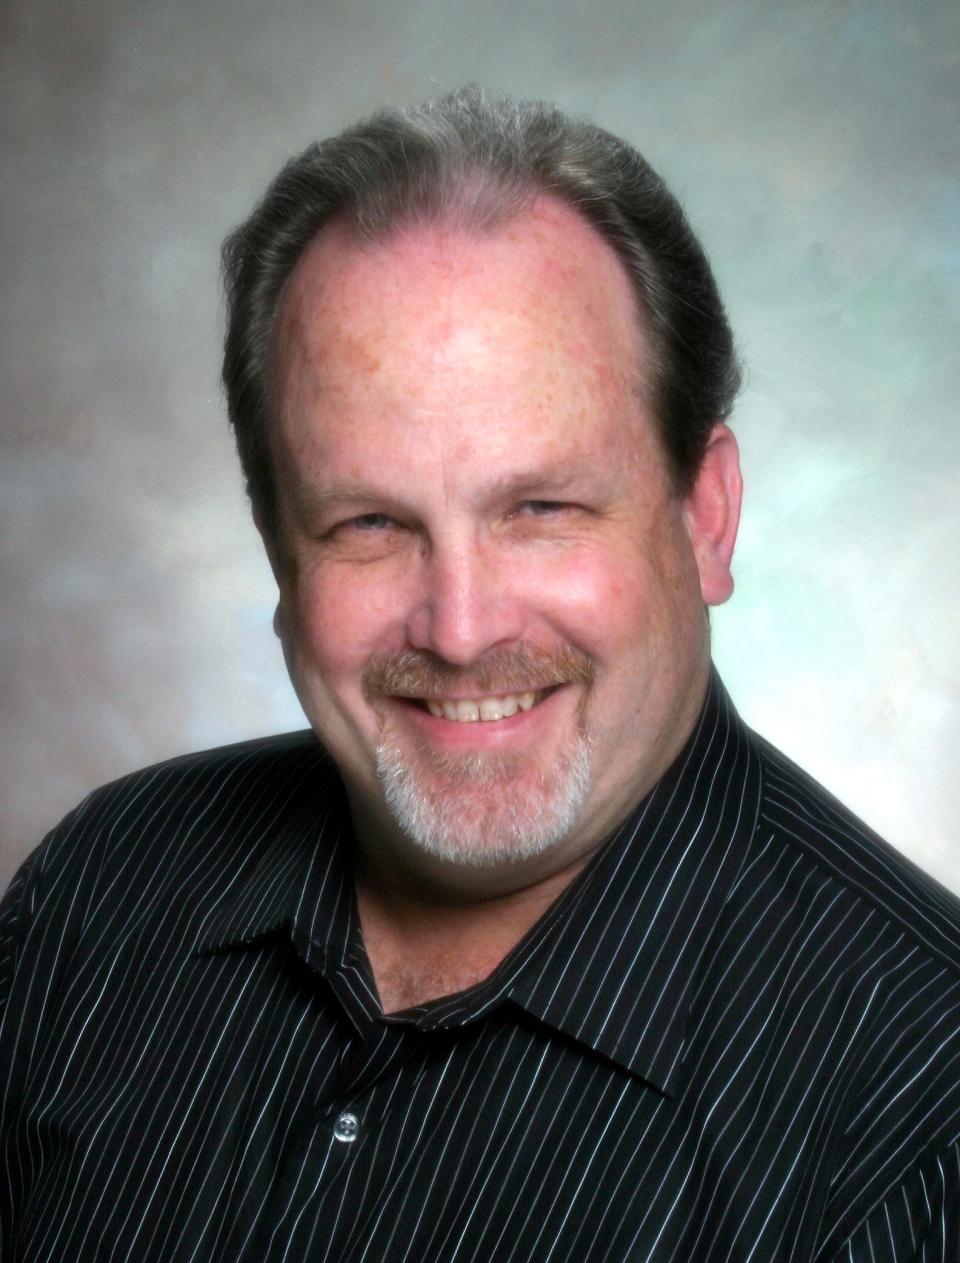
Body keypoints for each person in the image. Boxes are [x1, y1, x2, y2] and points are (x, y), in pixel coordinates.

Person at [1, 87, 957, 1263]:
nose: (459, 629)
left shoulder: (922, 1116)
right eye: (366, 524)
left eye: (541, 507)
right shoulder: (94, 897)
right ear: (275, 547)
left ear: (705, 517)